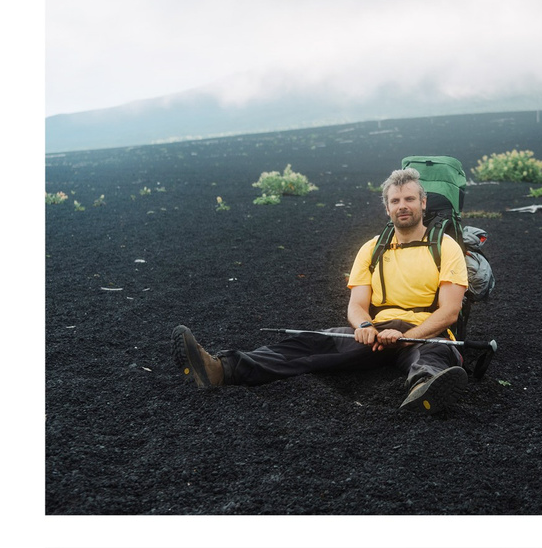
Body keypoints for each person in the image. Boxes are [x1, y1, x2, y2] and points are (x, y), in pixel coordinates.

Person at [170, 166, 468, 408]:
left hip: (426, 333)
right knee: (311, 343)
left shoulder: (446, 247)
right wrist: (364, 325)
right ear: (387, 208)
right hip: (377, 331)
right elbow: (357, 304)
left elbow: (450, 311)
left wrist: (406, 336)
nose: (403, 206)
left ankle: (425, 390)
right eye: (395, 201)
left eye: (410, 199)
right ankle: (222, 369)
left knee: (432, 358)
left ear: (423, 203)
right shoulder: (371, 249)